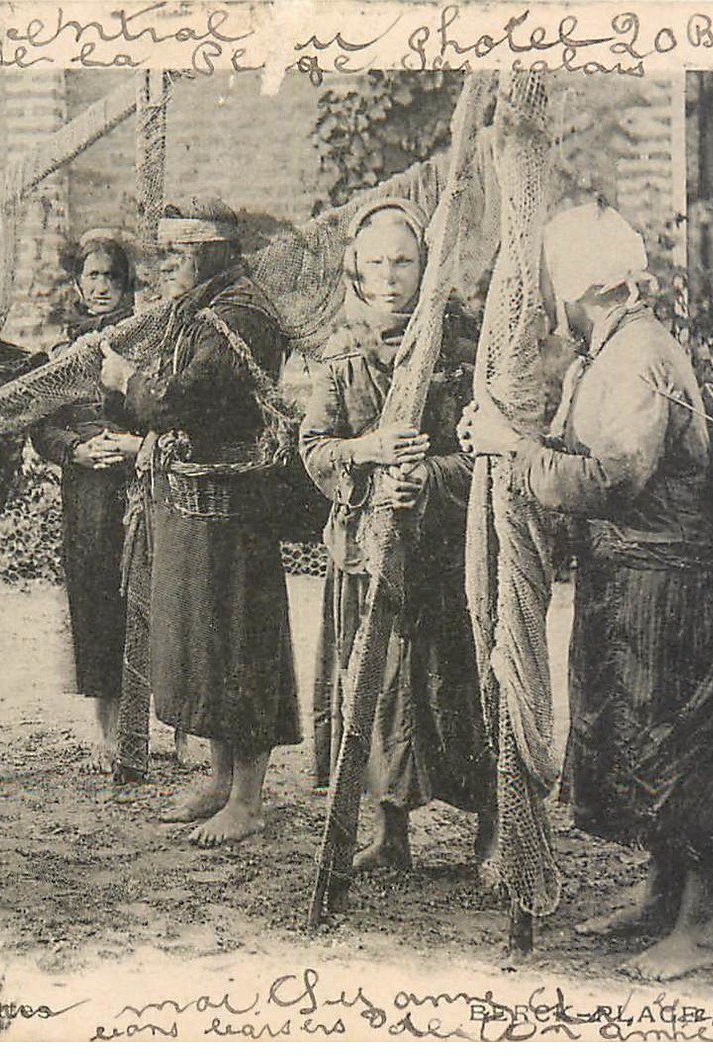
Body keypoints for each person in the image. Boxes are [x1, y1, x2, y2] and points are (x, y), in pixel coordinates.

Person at [458, 203, 713, 980]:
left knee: (686, 746)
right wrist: (510, 431)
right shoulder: (606, 351)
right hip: (632, 582)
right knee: (644, 744)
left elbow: (614, 476)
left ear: (582, 288)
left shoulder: (638, 355)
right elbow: (578, 447)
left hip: (674, 587)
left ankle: (700, 924)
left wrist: (515, 449)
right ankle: (659, 895)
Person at [98, 196, 300, 846]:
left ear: (211, 251)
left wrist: (126, 378)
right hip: (196, 503)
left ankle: (247, 798)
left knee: (239, 647)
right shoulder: (200, 311)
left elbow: (175, 398)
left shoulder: (239, 316)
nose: (163, 268)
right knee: (206, 649)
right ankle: (218, 781)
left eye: (176, 254)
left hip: (235, 509)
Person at [301, 200, 493, 872]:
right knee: (375, 688)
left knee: (456, 687)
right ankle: (390, 833)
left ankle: (491, 831)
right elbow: (315, 450)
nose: (390, 277)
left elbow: (484, 452)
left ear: (426, 266)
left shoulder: (460, 350)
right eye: (376, 262)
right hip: (369, 553)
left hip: (443, 556)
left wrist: (431, 478)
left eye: (404, 261)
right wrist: (371, 451)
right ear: (354, 265)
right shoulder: (340, 354)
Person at [30, 232, 145, 772]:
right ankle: (108, 731)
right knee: (96, 602)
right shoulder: (61, 353)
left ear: (127, 285)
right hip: (87, 496)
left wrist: (129, 447)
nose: (101, 288)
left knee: (148, 600)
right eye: (92, 276)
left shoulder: (146, 343)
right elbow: (42, 429)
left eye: (112, 277)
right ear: (78, 282)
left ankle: (168, 727)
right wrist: (75, 450)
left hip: (138, 487)